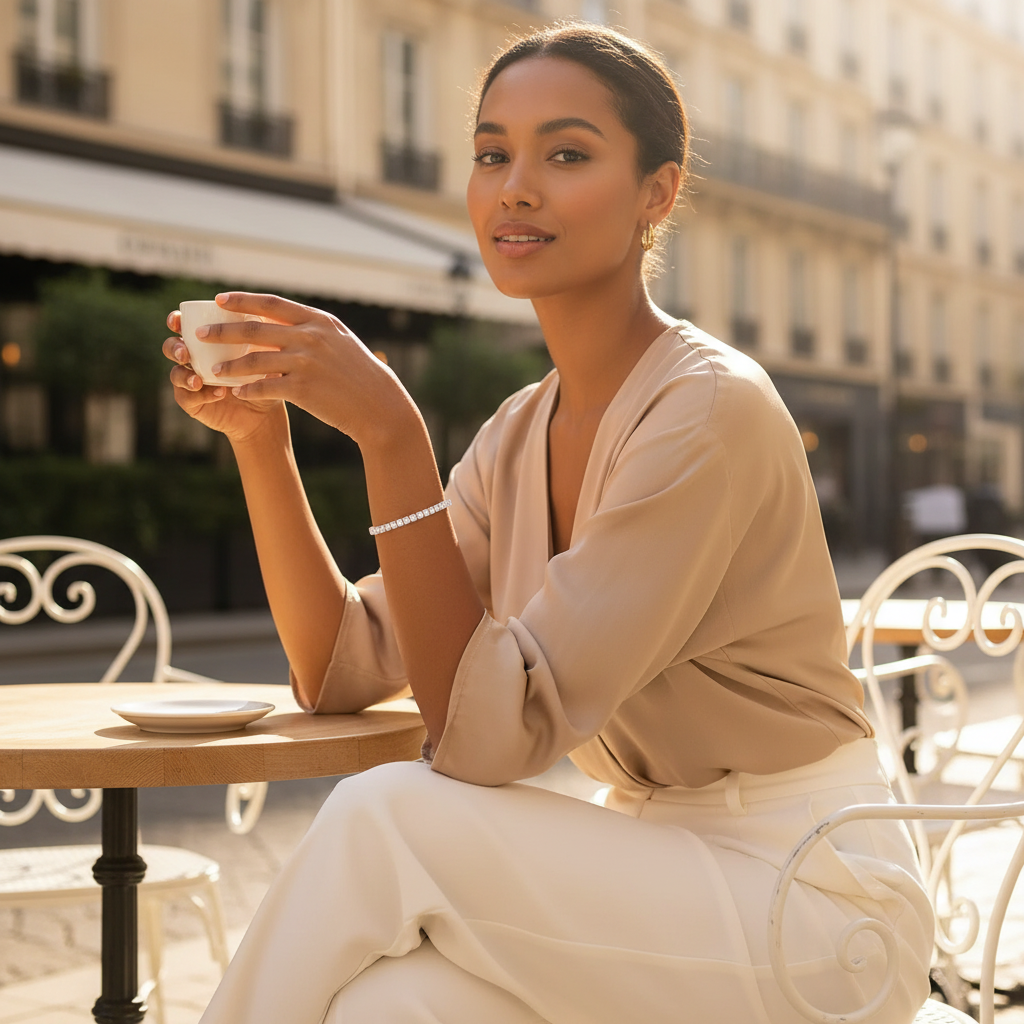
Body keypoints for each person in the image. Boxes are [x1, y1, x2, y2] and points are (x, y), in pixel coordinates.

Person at [164, 23, 933, 1024]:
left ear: (656, 192)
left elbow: (485, 744)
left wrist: (392, 435)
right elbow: (342, 665)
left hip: (821, 906)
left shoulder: (708, 411)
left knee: (387, 814)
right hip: (660, 865)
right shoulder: (519, 431)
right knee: (392, 1004)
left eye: (565, 154)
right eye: (492, 154)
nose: (514, 186)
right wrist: (261, 444)